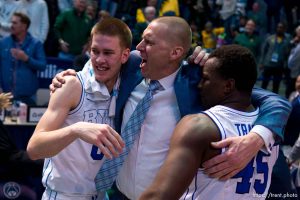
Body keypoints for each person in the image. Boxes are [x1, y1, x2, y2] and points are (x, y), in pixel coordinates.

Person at [52, 16, 291, 200]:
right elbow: (95, 64)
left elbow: (272, 99)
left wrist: (258, 137)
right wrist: (69, 78)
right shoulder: (133, 63)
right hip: (117, 192)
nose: (139, 46)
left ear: (176, 52)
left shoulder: (199, 78)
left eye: (149, 41)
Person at [139, 44, 279, 199]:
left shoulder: (200, 126)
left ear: (228, 86)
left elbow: (159, 196)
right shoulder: (270, 131)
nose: (199, 86)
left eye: (205, 79)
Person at [26, 18, 131, 200]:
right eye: (95, 51)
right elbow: (34, 148)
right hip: (64, 195)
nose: (99, 60)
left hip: (101, 195)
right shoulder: (72, 85)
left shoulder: (129, 85)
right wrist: (76, 130)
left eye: (108, 53)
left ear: (125, 55)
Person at [0, 12, 46, 106]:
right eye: (11, 23)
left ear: (24, 26)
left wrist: (26, 59)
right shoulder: (3, 42)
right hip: (5, 96)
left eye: (15, 23)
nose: (11, 26)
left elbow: (42, 66)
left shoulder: (36, 44)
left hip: (27, 98)